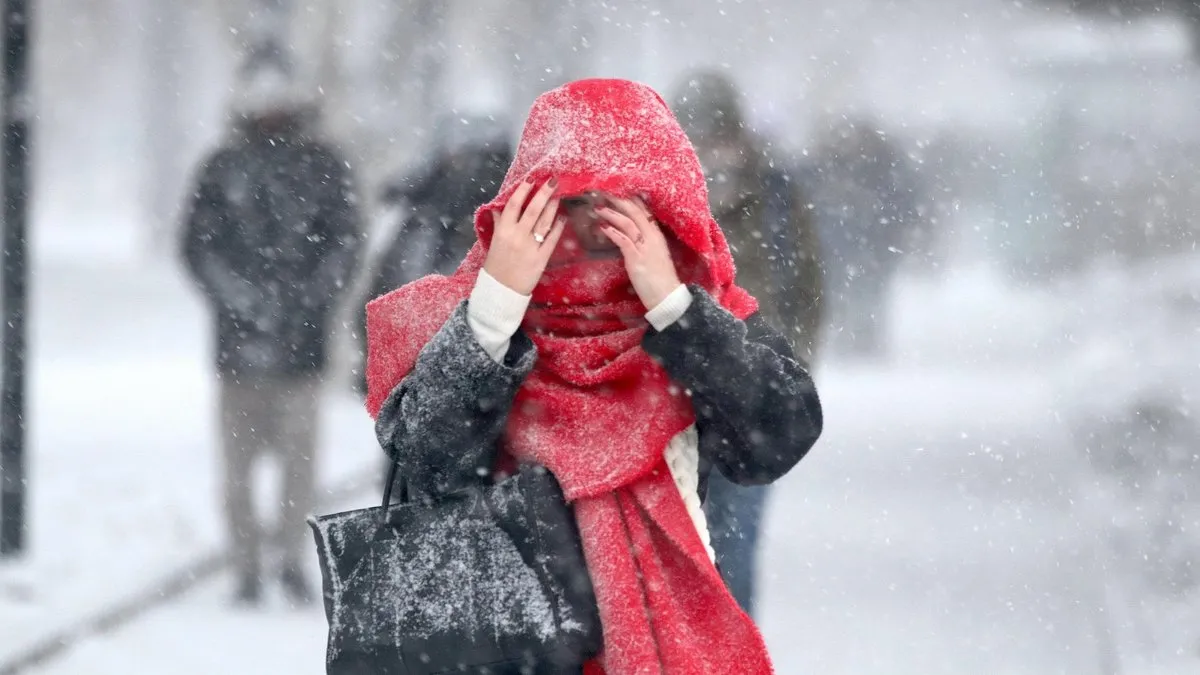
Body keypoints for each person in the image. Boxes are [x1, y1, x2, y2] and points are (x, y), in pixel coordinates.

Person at [365, 79, 822, 673]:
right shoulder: (484, 317)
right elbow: (425, 463)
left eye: (614, 211)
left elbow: (778, 436)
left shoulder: (698, 318)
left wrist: (675, 308)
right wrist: (496, 305)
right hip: (502, 647)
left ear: (659, 213)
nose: (586, 235)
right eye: (567, 207)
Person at [180, 65, 363, 606]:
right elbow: (198, 247)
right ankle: (246, 566)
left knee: (298, 470)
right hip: (238, 354)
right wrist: (243, 302)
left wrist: (305, 303)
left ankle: (287, 561)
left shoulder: (323, 166)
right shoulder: (222, 167)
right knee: (238, 473)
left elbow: (343, 245)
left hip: (300, 355)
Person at [670, 70, 825, 618]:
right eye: (694, 133)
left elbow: (808, 289)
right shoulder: (655, 200)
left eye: (715, 132)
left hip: (750, 405)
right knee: (672, 566)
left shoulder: (775, 197)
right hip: (670, 408)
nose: (708, 147)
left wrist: (788, 371)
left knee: (733, 552)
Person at [804, 113, 919, 358]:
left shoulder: (884, 169)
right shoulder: (827, 168)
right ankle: (849, 339)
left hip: (872, 248)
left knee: (869, 294)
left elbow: (900, 205)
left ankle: (866, 339)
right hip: (840, 247)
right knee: (843, 295)